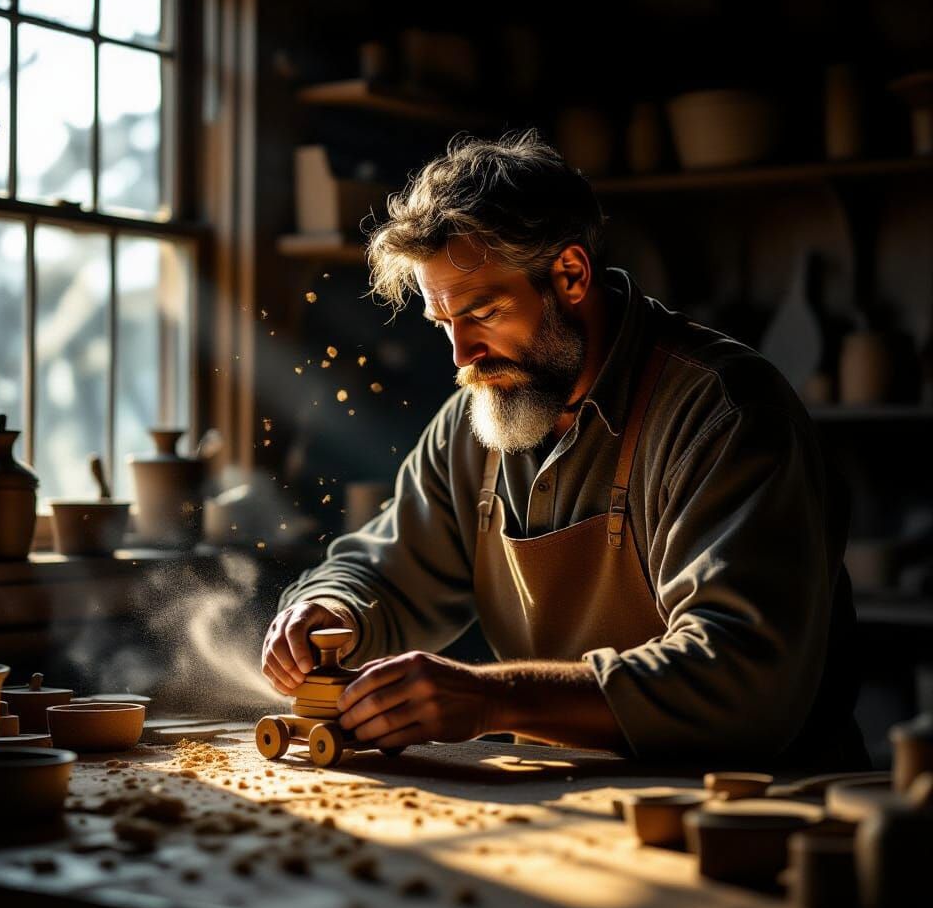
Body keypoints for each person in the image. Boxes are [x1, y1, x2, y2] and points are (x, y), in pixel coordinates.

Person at [261, 130, 867, 769]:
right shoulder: (480, 416)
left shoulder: (722, 412)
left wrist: (495, 699)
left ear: (571, 275)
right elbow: (386, 567)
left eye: (483, 314)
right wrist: (329, 607)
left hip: (752, 807)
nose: (462, 356)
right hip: (568, 802)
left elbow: (742, 677)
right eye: (445, 324)